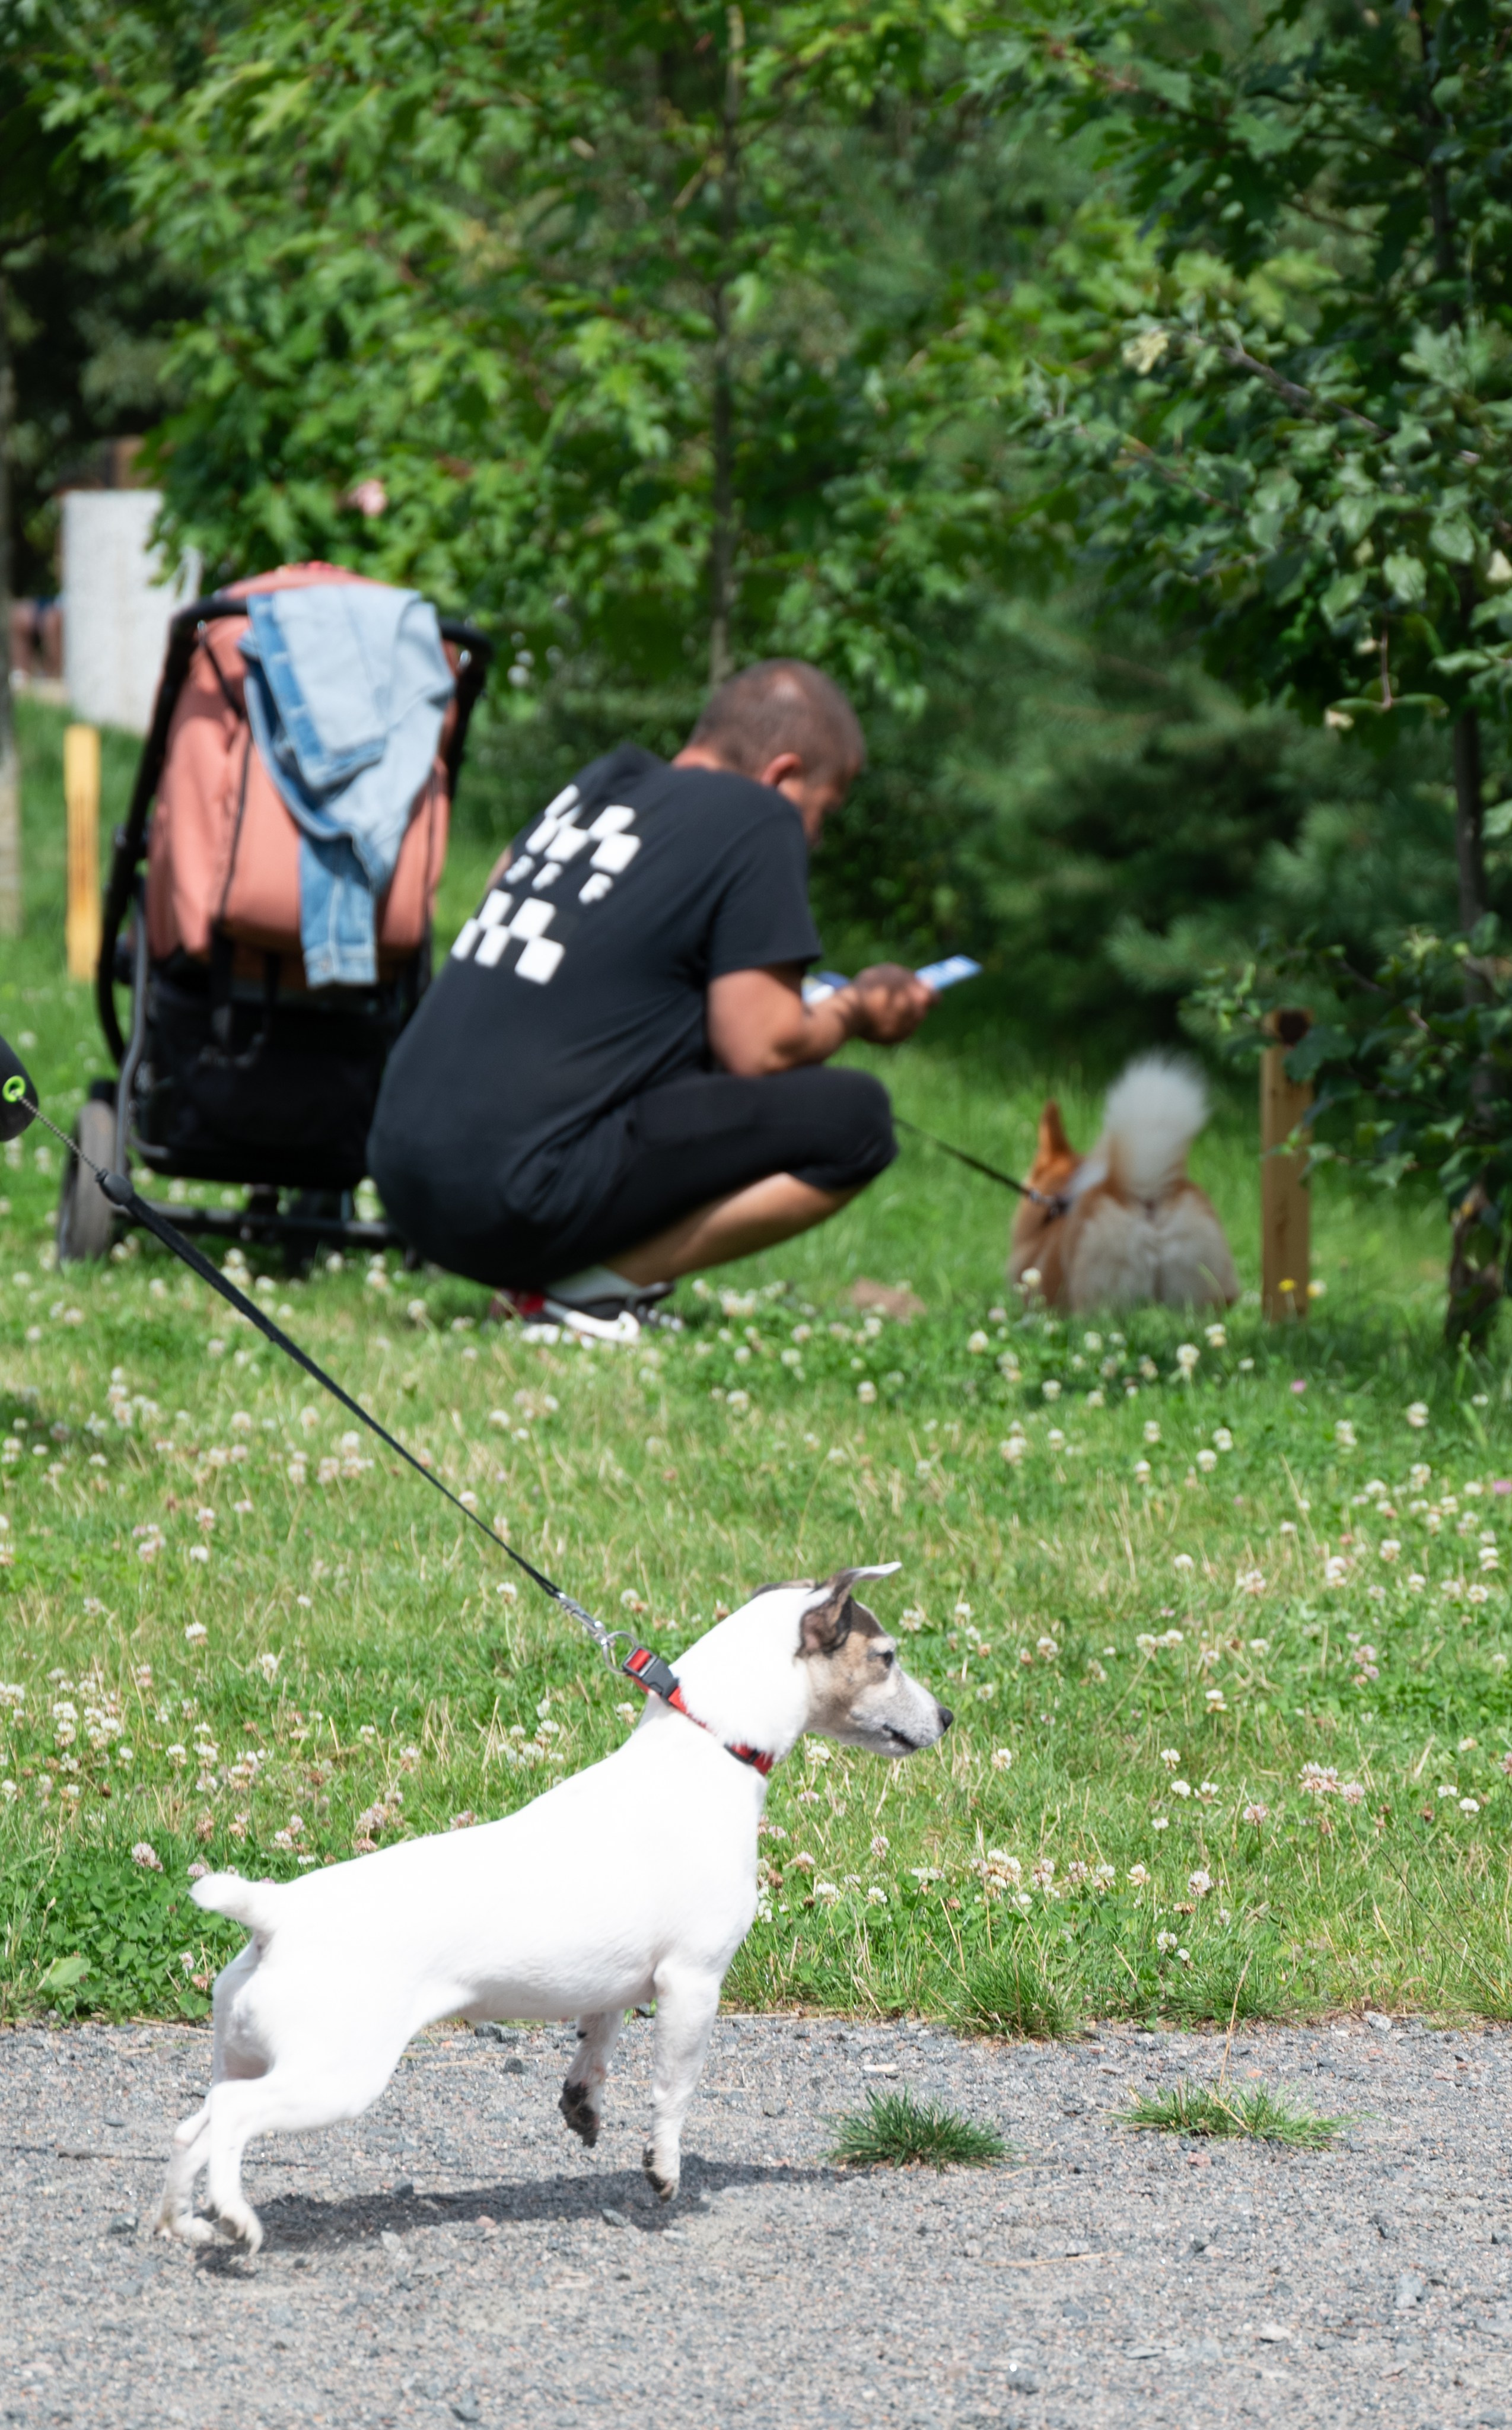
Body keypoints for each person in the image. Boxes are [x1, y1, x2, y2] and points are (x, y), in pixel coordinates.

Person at [367, 659, 937, 1335]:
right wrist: (855, 1009)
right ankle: (594, 1293)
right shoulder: (758, 816)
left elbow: (510, 906)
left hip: (402, 1177)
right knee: (857, 1121)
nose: (813, 835)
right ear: (783, 775)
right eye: (822, 812)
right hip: (507, 1199)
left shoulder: (601, 783)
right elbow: (763, 1048)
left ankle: (556, 1281)